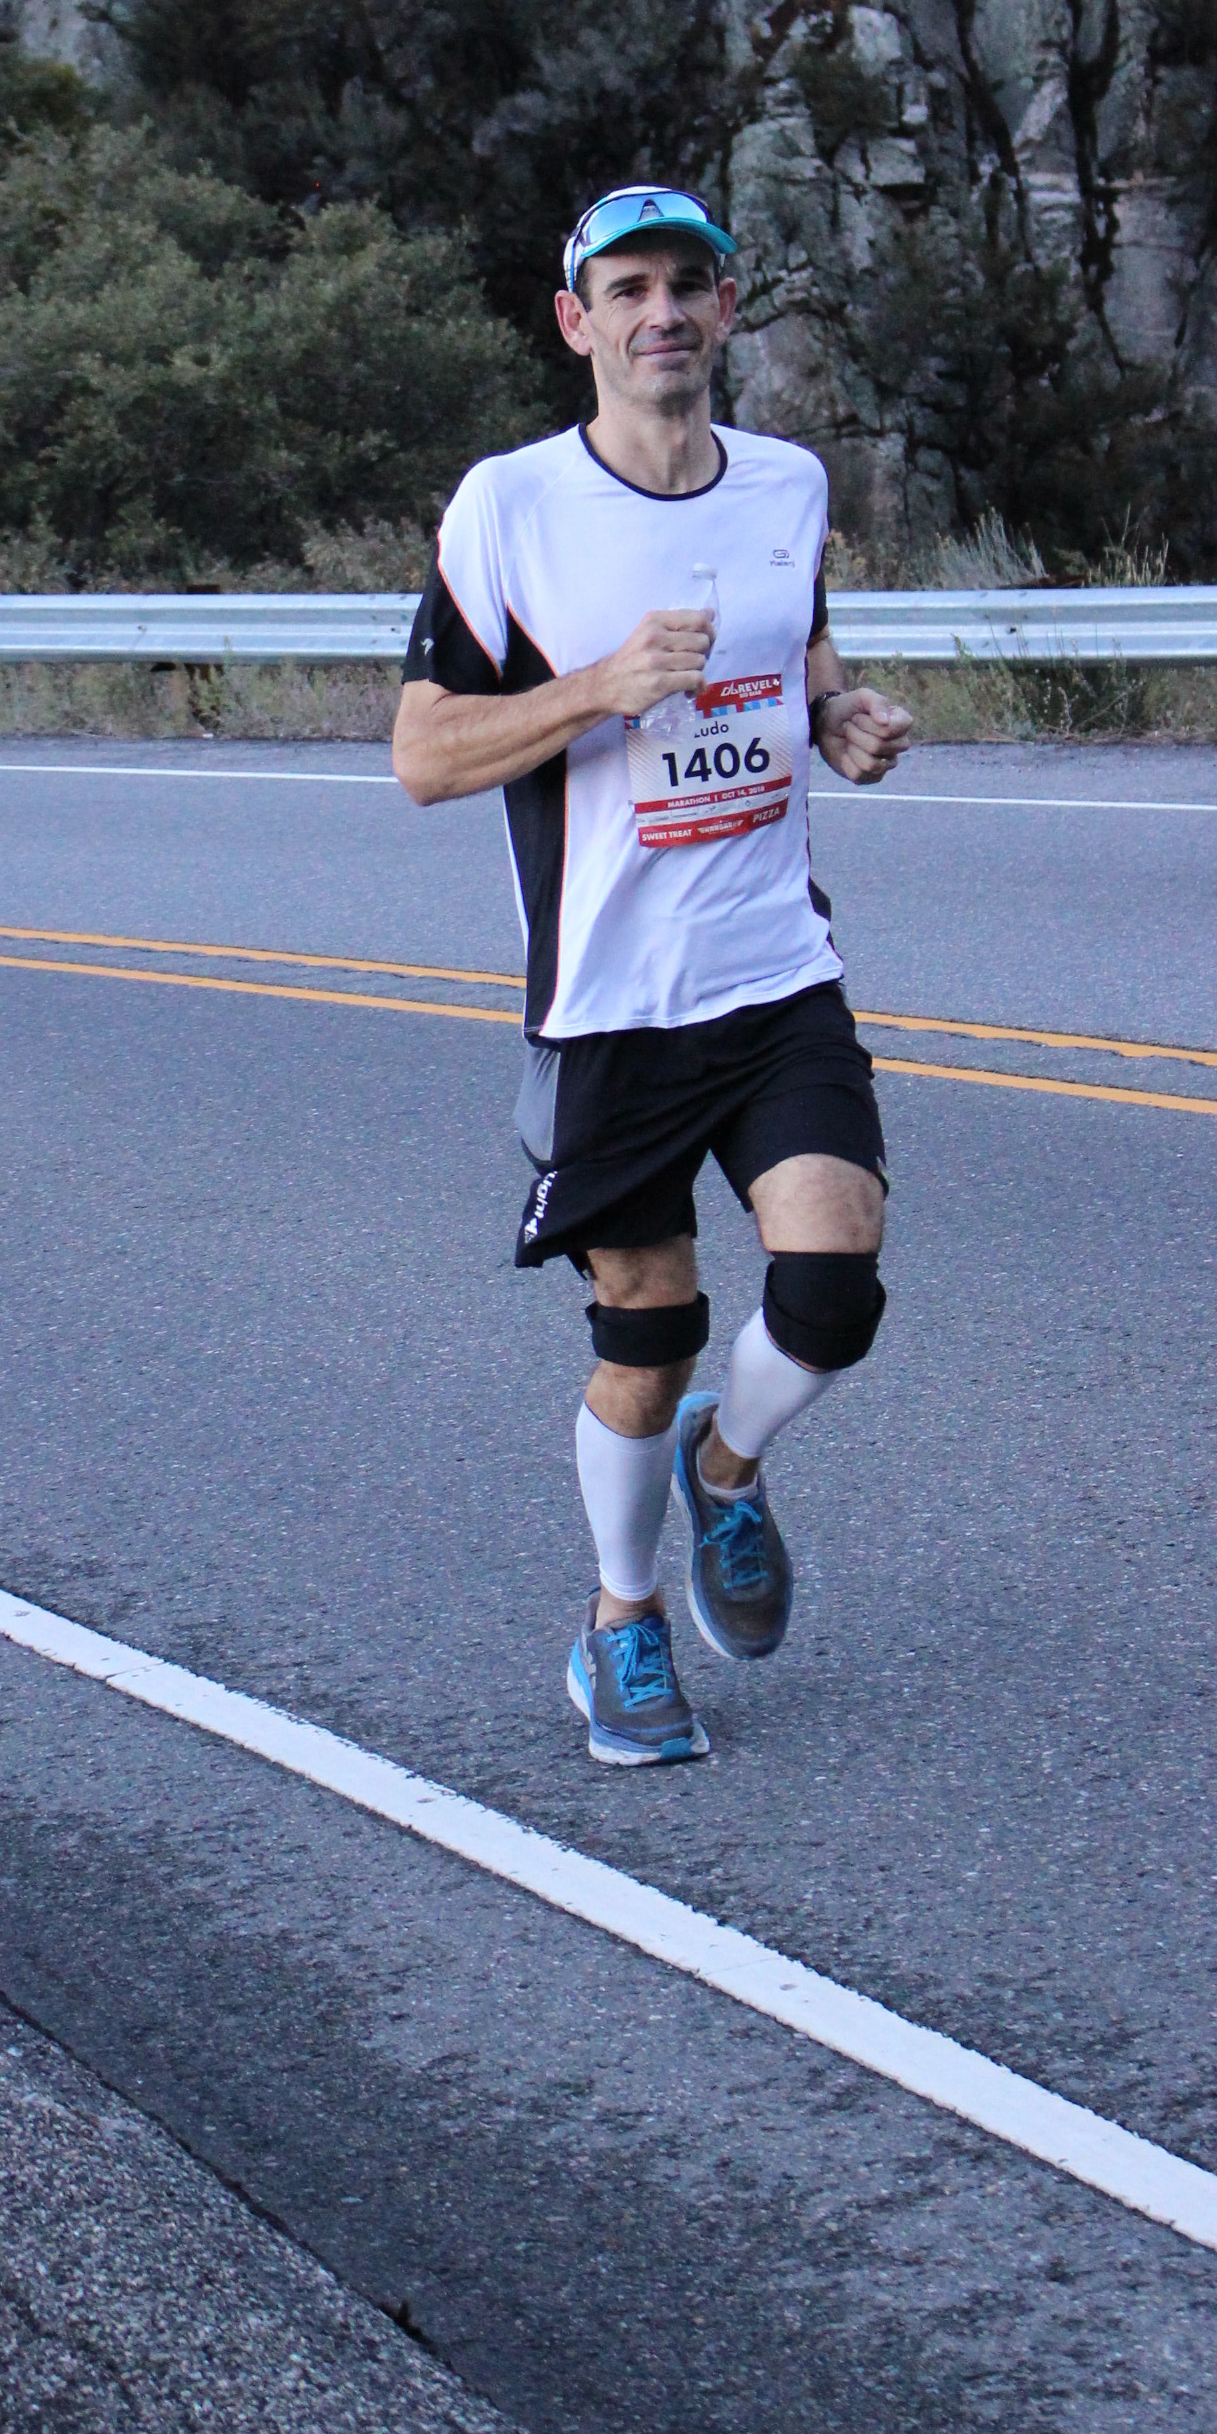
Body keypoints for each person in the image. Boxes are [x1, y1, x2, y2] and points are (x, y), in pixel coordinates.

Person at [393, 185, 914, 1764]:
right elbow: (425, 756)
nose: (662, 311)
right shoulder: (510, 507)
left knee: (832, 1289)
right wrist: (599, 686)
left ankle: (727, 1469)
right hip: (611, 999)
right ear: (579, 322)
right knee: (648, 1329)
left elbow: (795, 643)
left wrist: (836, 714)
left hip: (773, 967)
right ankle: (620, 1616)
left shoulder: (788, 483)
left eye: (689, 282)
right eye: (627, 289)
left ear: (728, 306)